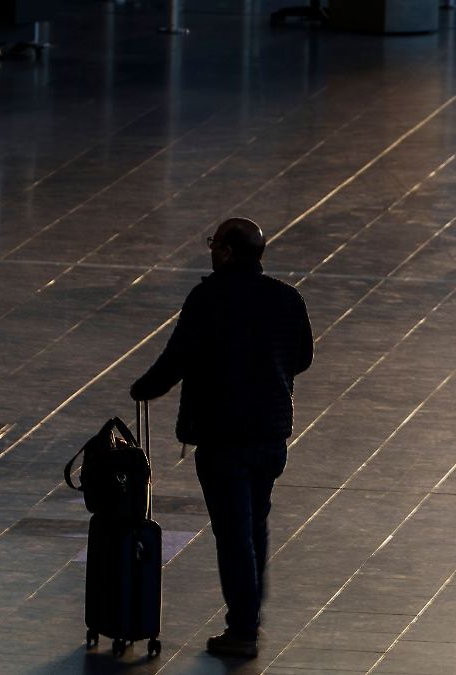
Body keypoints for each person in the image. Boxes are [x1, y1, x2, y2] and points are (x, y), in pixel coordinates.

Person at [131, 217, 313, 658]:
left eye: (215, 244)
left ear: (228, 252)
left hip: (222, 437)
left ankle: (243, 630)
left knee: (233, 534)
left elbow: (177, 359)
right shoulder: (287, 298)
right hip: (271, 435)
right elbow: (303, 358)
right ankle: (249, 617)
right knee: (253, 526)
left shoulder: (208, 298)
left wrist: (144, 389)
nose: (211, 250)